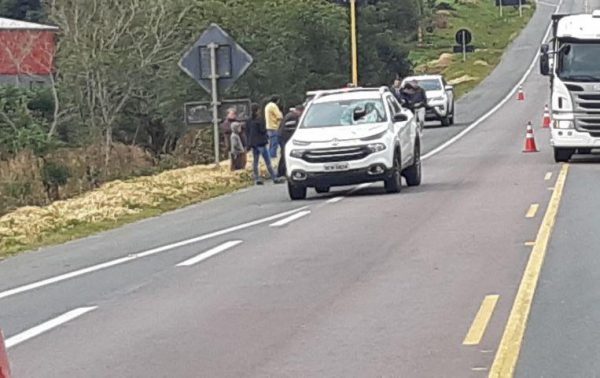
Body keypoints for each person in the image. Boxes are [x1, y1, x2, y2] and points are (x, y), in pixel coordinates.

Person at [246, 103, 284, 185]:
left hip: (253, 144)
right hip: (261, 142)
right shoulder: (260, 120)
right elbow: (263, 130)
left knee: (255, 162)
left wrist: (249, 143)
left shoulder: (249, 121)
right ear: (257, 111)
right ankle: (274, 177)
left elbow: (247, 132)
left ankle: (257, 178)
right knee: (267, 161)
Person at [277, 104, 304, 177]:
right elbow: (290, 129)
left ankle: (281, 171)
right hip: (285, 138)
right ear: (299, 111)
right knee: (285, 154)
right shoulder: (293, 117)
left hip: (283, 136)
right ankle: (281, 172)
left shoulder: (290, 115)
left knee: (283, 154)